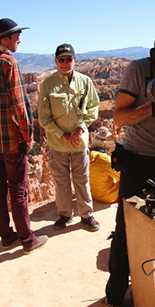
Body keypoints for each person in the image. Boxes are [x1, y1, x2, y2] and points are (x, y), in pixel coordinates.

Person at [104, 19, 155, 307]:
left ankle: (153, 294)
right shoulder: (140, 69)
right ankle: (115, 299)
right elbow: (119, 117)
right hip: (137, 161)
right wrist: (154, 106)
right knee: (125, 231)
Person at [0, 18, 47, 254]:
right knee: (18, 190)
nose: (19, 40)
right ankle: (27, 239)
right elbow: (20, 105)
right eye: (17, 36)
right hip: (11, 140)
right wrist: (28, 135)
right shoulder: (8, 63)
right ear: (5, 39)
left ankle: (6, 236)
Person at [38, 44, 101, 232]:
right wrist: (64, 135)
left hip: (79, 142)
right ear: (56, 61)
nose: (65, 63)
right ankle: (65, 214)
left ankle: (86, 215)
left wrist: (79, 130)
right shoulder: (48, 84)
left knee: (82, 179)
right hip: (58, 144)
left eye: (69, 59)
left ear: (75, 59)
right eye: (61, 60)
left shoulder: (85, 81)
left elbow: (93, 108)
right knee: (61, 181)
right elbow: (44, 118)